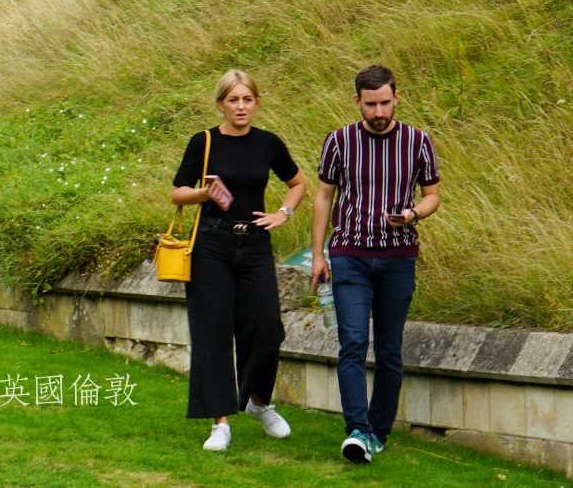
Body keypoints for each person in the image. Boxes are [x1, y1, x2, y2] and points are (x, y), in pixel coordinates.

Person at [170, 68, 308, 452]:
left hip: (255, 245)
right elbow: (177, 193)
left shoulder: (268, 143)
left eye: (247, 99)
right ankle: (220, 423)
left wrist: (283, 214)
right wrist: (205, 194)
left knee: (266, 328)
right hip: (211, 245)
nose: (241, 106)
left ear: (257, 103)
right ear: (221, 104)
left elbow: (297, 183)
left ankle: (258, 403)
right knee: (212, 332)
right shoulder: (204, 142)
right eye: (233, 99)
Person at [310, 65, 442, 465]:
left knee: (389, 349)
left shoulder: (419, 141)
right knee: (351, 343)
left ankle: (378, 431)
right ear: (357, 102)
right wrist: (318, 254)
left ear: (396, 97)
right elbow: (323, 198)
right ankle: (357, 430)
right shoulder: (338, 141)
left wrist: (413, 215)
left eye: (385, 102)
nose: (379, 111)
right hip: (349, 255)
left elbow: (432, 195)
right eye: (371, 104)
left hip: (399, 256)